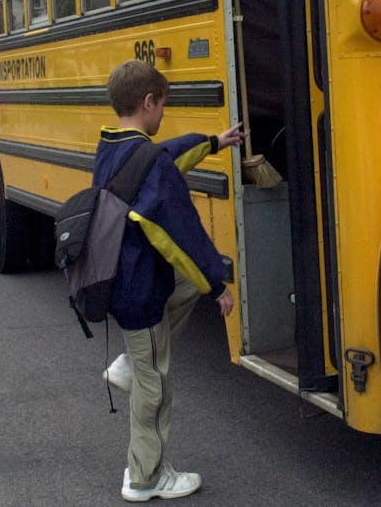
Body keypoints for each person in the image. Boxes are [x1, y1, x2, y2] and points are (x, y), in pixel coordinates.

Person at [95, 60, 242, 502]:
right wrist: (218, 284)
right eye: (162, 107)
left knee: (182, 285)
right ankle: (145, 477)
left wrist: (215, 142)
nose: (164, 116)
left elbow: (166, 155)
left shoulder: (112, 147)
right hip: (137, 292)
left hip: (117, 279)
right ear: (148, 102)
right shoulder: (151, 165)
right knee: (154, 386)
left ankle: (126, 362)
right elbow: (180, 232)